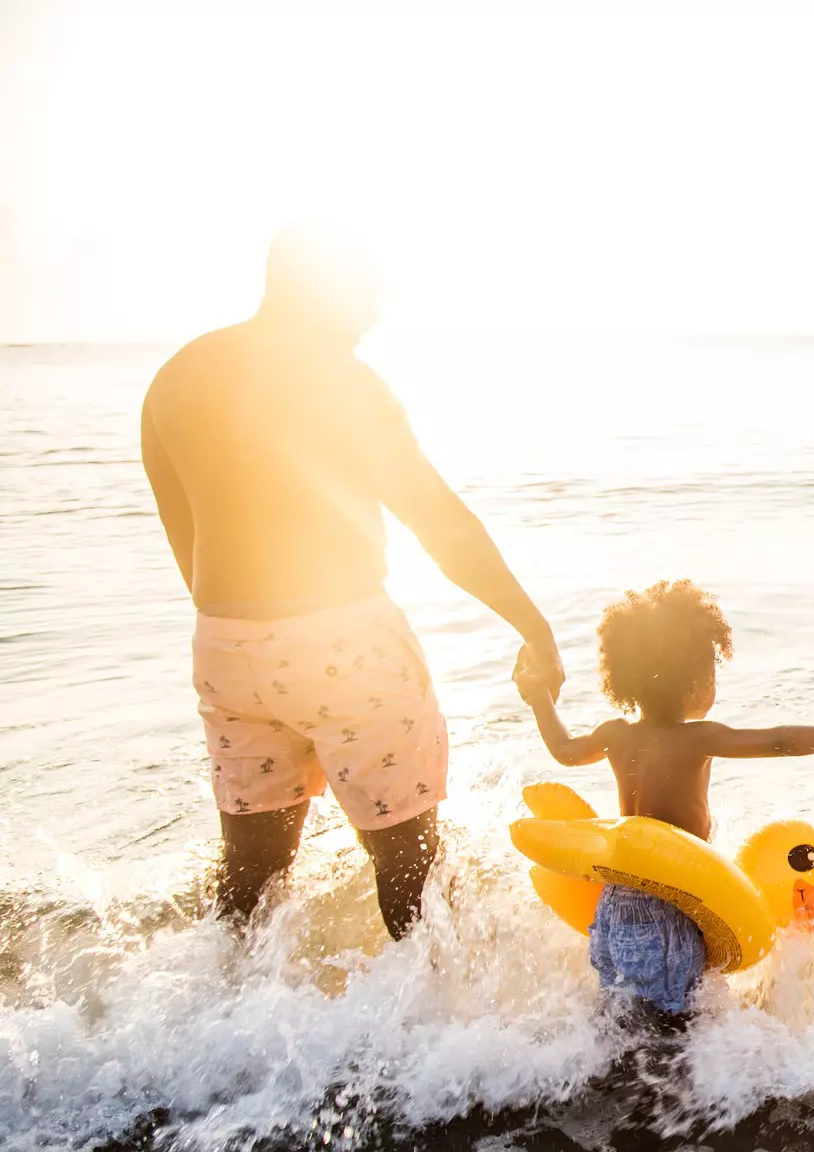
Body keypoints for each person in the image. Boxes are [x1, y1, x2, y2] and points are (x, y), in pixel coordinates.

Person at [141, 227, 564, 940]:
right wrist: (533, 625)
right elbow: (439, 523)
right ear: (325, 289)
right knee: (409, 863)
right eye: (367, 290)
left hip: (225, 648)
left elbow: (185, 536)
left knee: (250, 873)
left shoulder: (177, 377)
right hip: (345, 640)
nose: (376, 309)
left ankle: (218, 1028)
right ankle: (435, 1037)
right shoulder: (343, 381)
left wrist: (244, 626)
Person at [514, 578, 814, 1018]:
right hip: (670, 913)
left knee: (622, 1025)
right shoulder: (700, 738)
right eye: (710, 672)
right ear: (694, 683)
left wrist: (538, 695)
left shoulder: (615, 735)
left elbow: (562, 750)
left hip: (612, 909)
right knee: (677, 1032)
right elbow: (780, 741)